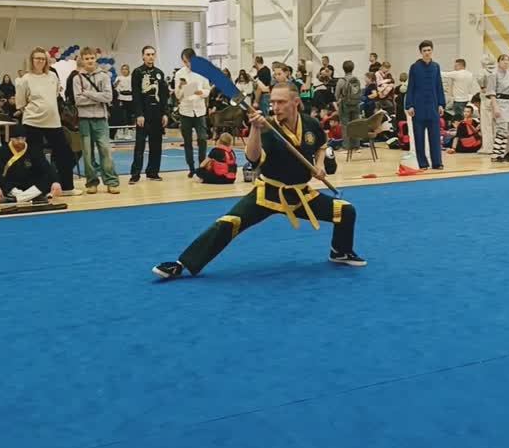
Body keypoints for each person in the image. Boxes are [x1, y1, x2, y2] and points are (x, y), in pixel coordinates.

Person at [153, 83, 367, 280]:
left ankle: (340, 252)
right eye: (273, 102)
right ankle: (182, 264)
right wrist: (255, 129)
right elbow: (252, 158)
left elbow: (321, 144)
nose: (275, 107)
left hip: (301, 194)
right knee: (228, 223)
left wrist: (319, 165)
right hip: (268, 193)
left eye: (281, 102)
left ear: (296, 102)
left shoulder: (310, 124)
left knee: (346, 211)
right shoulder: (268, 128)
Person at [15, 47, 78, 195]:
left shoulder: (52, 76)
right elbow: (21, 103)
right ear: (32, 61)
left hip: (53, 122)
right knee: (36, 156)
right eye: (37, 58)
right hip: (33, 122)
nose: (40, 61)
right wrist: (35, 111)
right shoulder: (25, 79)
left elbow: (55, 95)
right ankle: (39, 188)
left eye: (43, 59)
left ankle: (67, 187)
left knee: (65, 154)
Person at [72, 46, 121, 194]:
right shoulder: (77, 78)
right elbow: (78, 100)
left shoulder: (104, 76)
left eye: (92, 58)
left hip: (101, 119)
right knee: (88, 154)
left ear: (96, 58)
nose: (89, 61)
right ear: (82, 60)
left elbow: (108, 97)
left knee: (105, 151)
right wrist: (98, 97)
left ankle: (111, 181)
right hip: (84, 120)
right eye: (86, 58)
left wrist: (88, 93)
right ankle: (91, 182)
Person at [0, 125, 60, 204]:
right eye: (17, 138)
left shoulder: (34, 150)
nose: (20, 141)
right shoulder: (2, 151)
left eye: (22, 138)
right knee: (1, 183)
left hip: (30, 184)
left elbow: (46, 167)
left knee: (47, 179)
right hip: (12, 185)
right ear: (11, 138)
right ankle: (32, 197)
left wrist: (55, 181)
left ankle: (16, 199)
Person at [129, 45, 169, 183]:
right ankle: (135, 174)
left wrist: (165, 113)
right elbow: (136, 95)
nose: (150, 57)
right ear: (143, 56)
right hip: (143, 115)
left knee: (156, 145)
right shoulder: (137, 72)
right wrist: (139, 114)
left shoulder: (159, 73)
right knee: (139, 146)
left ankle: (153, 172)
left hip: (157, 115)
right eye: (148, 54)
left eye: (152, 54)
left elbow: (163, 96)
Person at [405, 40, 446, 171]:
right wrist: (409, 105)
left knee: (435, 137)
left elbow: (439, 86)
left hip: (433, 107)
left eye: (429, 50)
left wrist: (441, 104)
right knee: (419, 137)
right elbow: (410, 87)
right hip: (418, 107)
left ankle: (437, 163)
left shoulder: (436, 67)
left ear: (432, 50)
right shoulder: (414, 67)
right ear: (421, 52)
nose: (427, 53)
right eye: (424, 51)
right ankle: (422, 163)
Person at [174, 48, 210, 178]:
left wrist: (202, 92)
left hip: (199, 110)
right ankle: (191, 167)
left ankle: (202, 165)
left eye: (189, 61)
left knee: (202, 139)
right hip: (185, 111)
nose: (187, 64)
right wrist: (180, 87)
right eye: (185, 61)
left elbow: (208, 90)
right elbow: (177, 95)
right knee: (187, 141)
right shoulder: (179, 73)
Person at [487, 54, 509, 163]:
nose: (506, 62)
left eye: (508, 60)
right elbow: (491, 91)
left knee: (507, 131)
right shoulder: (494, 74)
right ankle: (495, 154)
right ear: (498, 62)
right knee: (501, 129)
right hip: (499, 102)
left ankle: (502, 153)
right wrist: (495, 107)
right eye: (503, 60)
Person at [476, 54, 496, 154]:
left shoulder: (482, 71)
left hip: (485, 98)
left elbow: (480, 81)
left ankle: (487, 147)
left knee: (486, 124)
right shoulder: (497, 71)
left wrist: (482, 87)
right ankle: (496, 146)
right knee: (495, 124)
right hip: (495, 99)